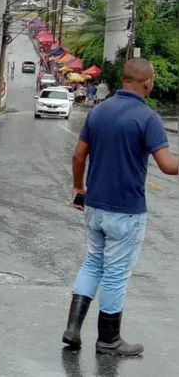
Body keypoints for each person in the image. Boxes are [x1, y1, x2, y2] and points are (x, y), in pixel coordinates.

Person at [62, 58, 178, 356]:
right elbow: (167, 165)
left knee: (92, 263)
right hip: (126, 210)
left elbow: (78, 156)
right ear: (147, 82)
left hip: (95, 206)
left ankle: (73, 327)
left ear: (124, 79)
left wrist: (79, 187)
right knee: (115, 273)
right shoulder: (147, 117)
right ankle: (109, 339)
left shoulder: (98, 111)